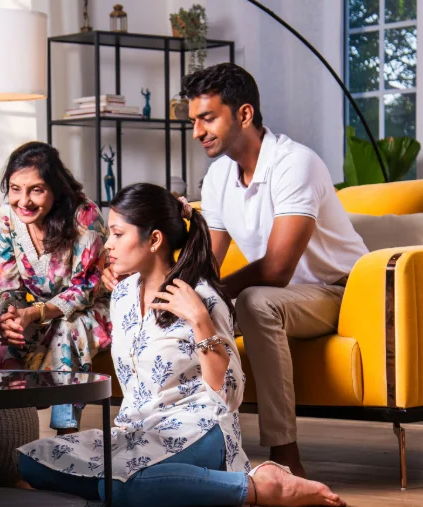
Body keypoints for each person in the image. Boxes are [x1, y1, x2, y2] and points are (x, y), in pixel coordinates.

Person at [106, 63, 369, 478]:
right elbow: (203, 262)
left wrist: (205, 296)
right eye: (194, 121)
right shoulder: (218, 177)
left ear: (244, 114)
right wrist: (148, 278)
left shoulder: (294, 164)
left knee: (254, 301)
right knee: (195, 305)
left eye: (207, 118)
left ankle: (284, 455)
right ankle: (164, 435)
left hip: (339, 293)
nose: (197, 131)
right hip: (285, 296)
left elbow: (279, 270)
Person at [19, 183, 345, 507]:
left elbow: (229, 396)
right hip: (139, 434)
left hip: (202, 431)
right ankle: (158, 485)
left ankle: (255, 486)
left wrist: (201, 322)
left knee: (127, 489)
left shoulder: (202, 297)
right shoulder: (121, 295)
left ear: (155, 239)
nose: (109, 245)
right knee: (29, 460)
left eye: (118, 234)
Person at [0, 141, 111, 434]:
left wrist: (37, 312)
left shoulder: (85, 217)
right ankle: (9, 434)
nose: (23, 201)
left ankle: (65, 438)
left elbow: (87, 288)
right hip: (35, 310)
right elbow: (7, 285)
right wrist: (11, 317)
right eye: (15, 188)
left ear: (56, 189)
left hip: (94, 308)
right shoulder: (3, 218)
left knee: (67, 331)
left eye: (36, 190)